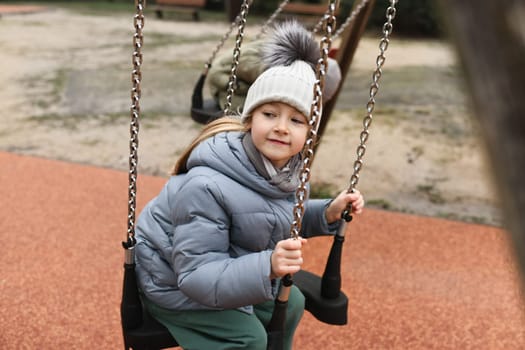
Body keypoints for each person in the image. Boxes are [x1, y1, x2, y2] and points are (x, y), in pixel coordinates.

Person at [135, 21, 364, 350]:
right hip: (172, 281)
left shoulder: (284, 171)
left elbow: (271, 214)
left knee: (293, 303)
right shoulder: (206, 185)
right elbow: (196, 275)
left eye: (296, 120)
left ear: (309, 134)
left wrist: (328, 213)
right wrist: (267, 265)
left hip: (225, 265)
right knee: (248, 338)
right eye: (270, 114)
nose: (282, 128)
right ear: (249, 119)